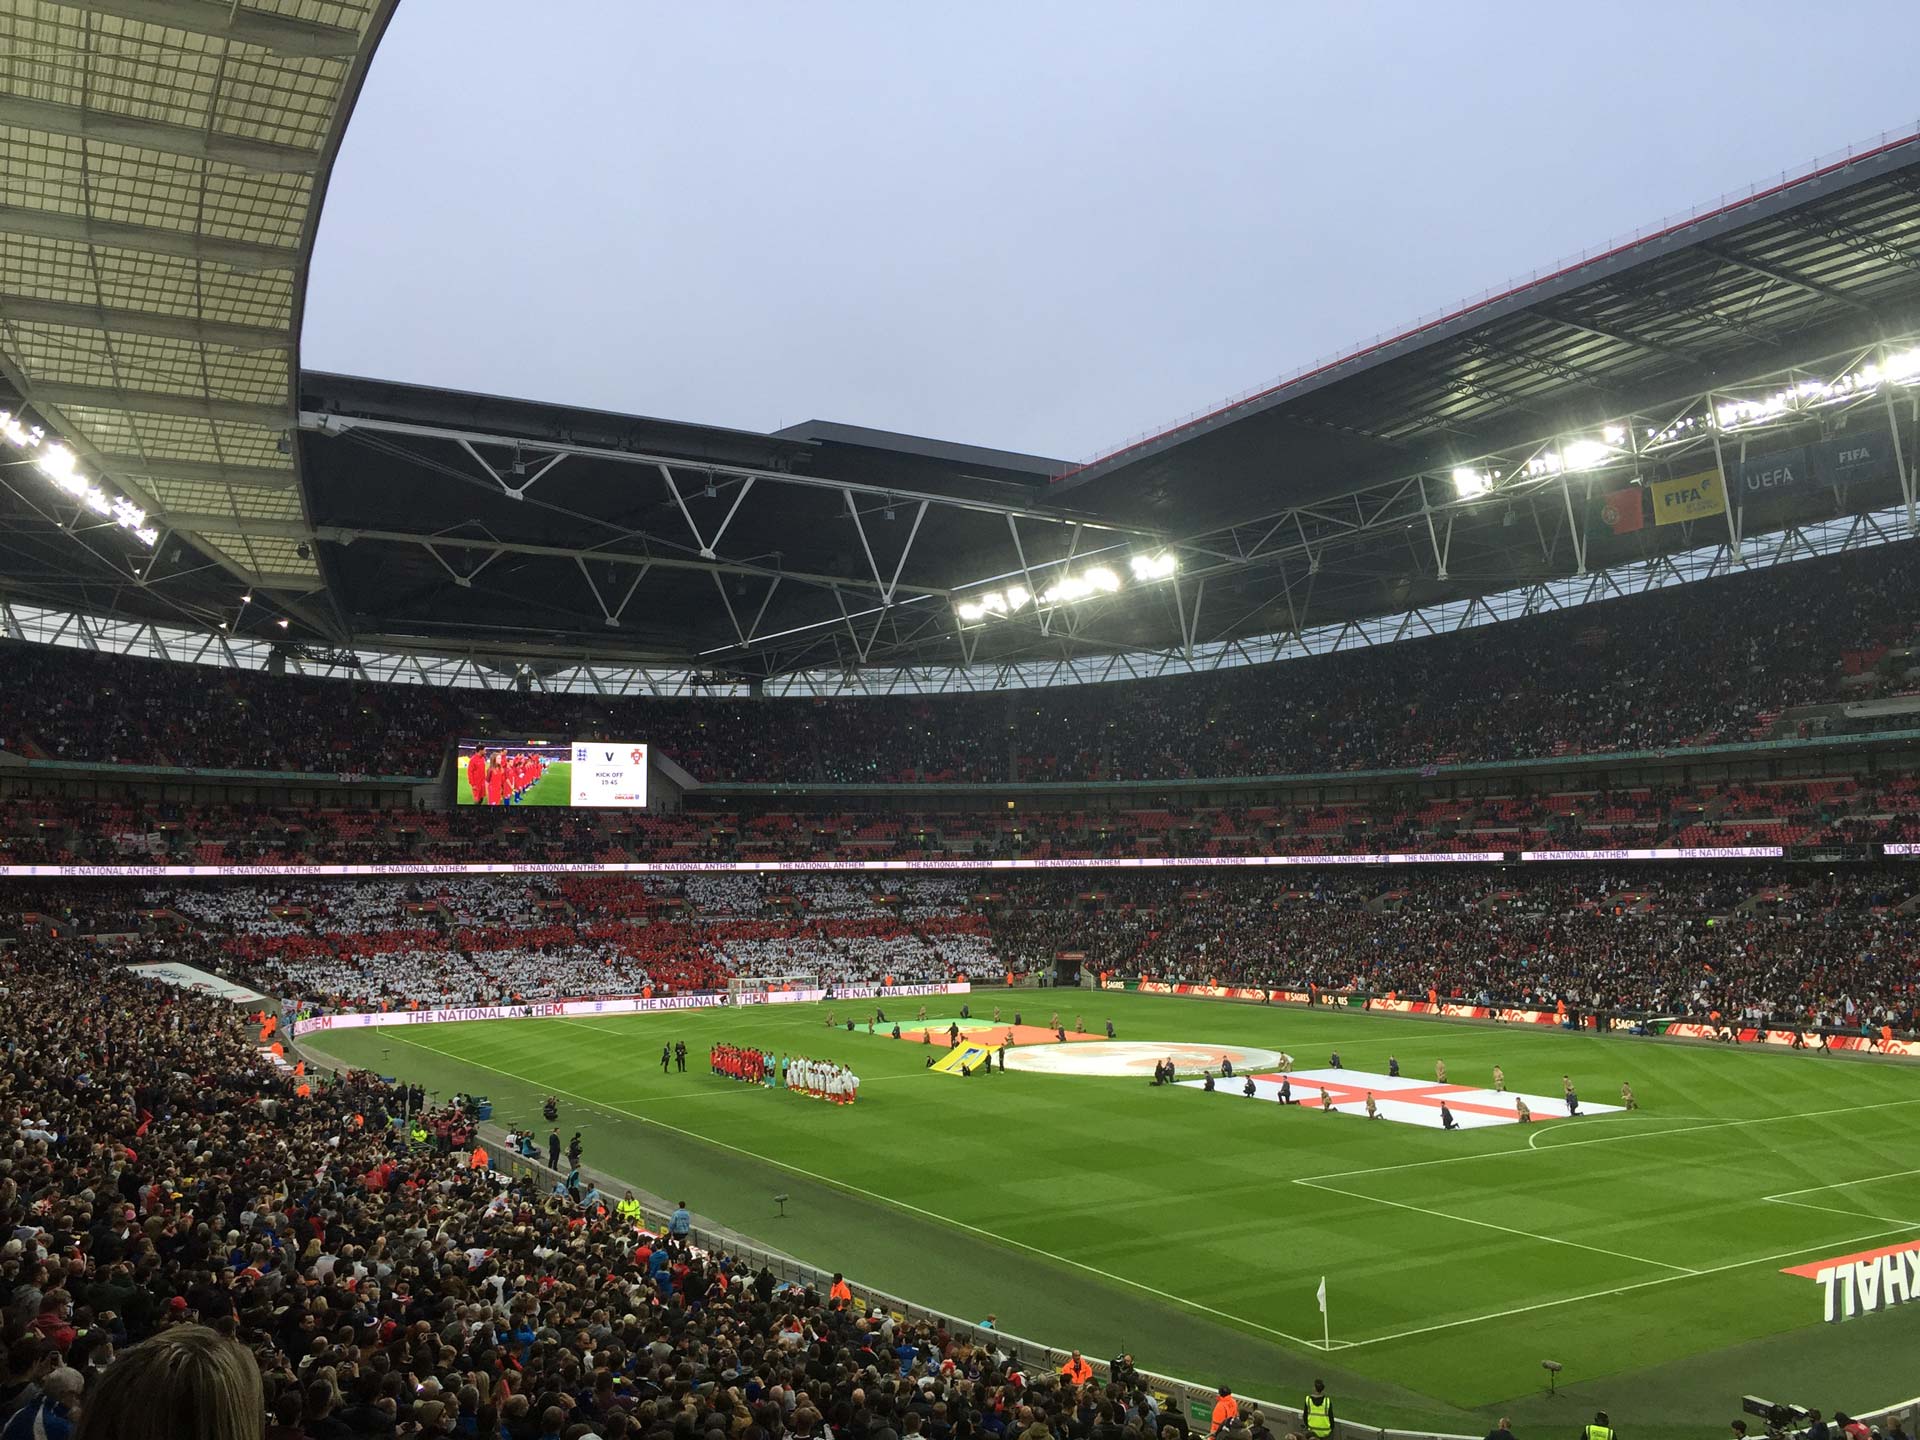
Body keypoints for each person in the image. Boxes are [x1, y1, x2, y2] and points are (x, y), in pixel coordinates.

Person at [3, 1366, 81, 1440]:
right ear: (65, 1395)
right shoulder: (60, 1427)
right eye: (78, 1396)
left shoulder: (21, 1412)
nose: (78, 1402)